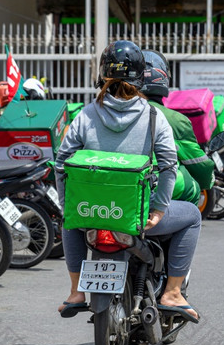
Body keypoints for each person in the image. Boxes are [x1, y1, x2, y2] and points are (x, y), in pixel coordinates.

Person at [54, 40, 201, 321]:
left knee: (71, 217)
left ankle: (75, 291)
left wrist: (67, 204)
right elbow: (169, 166)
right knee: (192, 215)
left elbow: (62, 164)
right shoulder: (155, 117)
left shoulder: (85, 115)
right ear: (141, 77)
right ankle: (171, 292)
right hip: (136, 215)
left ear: (103, 75)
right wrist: (157, 211)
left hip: (92, 213)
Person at [141, 49, 215, 205]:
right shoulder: (174, 119)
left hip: (106, 191)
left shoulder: (99, 112)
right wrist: (207, 180)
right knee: (191, 191)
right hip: (150, 190)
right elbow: (198, 164)